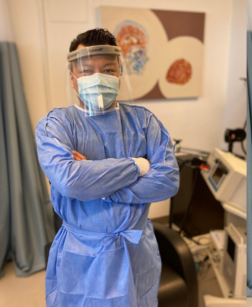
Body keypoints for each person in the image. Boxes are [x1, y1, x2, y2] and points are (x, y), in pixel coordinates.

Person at [36, 28, 180, 306]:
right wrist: (137, 165)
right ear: (72, 77)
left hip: (136, 249)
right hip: (82, 253)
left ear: (119, 73)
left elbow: (168, 181)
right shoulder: (56, 125)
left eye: (108, 70)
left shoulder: (144, 122)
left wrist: (98, 183)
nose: (97, 79)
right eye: (87, 70)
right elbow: (69, 182)